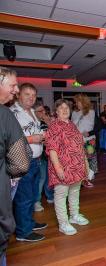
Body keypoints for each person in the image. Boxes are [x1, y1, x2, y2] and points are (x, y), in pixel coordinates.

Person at [0, 67, 31, 265]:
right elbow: (20, 162)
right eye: (12, 85)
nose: (16, 89)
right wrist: (8, 175)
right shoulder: (5, 114)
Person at [46, 99, 90, 236]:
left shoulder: (71, 124)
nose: (65, 110)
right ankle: (63, 223)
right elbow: (52, 149)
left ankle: (74, 215)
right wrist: (58, 168)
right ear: (56, 111)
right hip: (62, 167)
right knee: (61, 195)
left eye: (67, 108)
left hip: (76, 167)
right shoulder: (54, 126)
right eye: (61, 108)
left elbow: (79, 146)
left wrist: (85, 163)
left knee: (75, 191)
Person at [10, 83, 47, 242]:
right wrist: (33, 139)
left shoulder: (32, 111)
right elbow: (8, 138)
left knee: (32, 195)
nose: (31, 98)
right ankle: (23, 232)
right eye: (27, 94)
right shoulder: (13, 113)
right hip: (23, 160)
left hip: (36, 160)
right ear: (19, 95)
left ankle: (29, 223)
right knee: (23, 197)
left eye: (33, 95)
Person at [71, 94, 96, 188]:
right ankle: (82, 178)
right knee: (80, 160)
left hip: (89, 140)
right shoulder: (74, 113)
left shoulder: (92, 112)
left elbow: (97, 126)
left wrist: (89, 133)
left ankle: (88, 178)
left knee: (91, 158)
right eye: (76, 102)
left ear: (84, 102)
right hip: (77, 140)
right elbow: (72, 127)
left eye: (78, 101)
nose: (76, 103)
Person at [33, 102, 54, 212]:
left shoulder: (45, 123)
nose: (43, 114)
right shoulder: (35, 124)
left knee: (49, 177)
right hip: (39, 155)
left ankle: (50, 196)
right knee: (41, 178)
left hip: (48, 154)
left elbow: (53, 136)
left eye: (45, 112)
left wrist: (49, 123)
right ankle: (36, 201)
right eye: (41, 111)